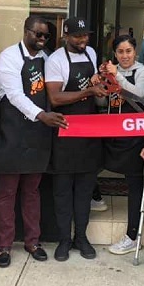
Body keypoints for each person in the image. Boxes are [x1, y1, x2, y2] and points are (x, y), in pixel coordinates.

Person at [0, 16, 68, 268]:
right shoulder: (9, 57)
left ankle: (32, 241)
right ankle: (4, 245)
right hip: (13, 134)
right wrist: (42, 115)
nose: (42, 39)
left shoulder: (47, 59)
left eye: (46, 35)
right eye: (38, 34)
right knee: (7, 192)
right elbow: (14, 94)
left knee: (32, 192)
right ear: (26, 31)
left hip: (37, 135)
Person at [45, 17, 107, 262]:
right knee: (62, 191)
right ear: (66, 37)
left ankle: (81, 237)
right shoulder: (55, 60)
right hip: (65, 131)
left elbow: (94, 83)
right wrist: (88, 91)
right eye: (78, 36)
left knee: (84, 190)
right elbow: (55, 98)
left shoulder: (91, 53)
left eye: (85, 35)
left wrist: (98, 81)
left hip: (88, 131)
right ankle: (64, 239)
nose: (83, 40)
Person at [100, 35, 144, 255]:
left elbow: (139, 94)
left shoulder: (143, 72)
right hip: (113, 134)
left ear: (135, 52)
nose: (124, 56)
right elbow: (101, 101)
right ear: (115, 54)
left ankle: (132, 235)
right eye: (120, 52)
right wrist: (98, 84)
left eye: (128, 51)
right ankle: (95, 198)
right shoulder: (109, 72)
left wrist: (117, 75)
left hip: (135, 137)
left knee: (135, 184)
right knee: (92, 163)